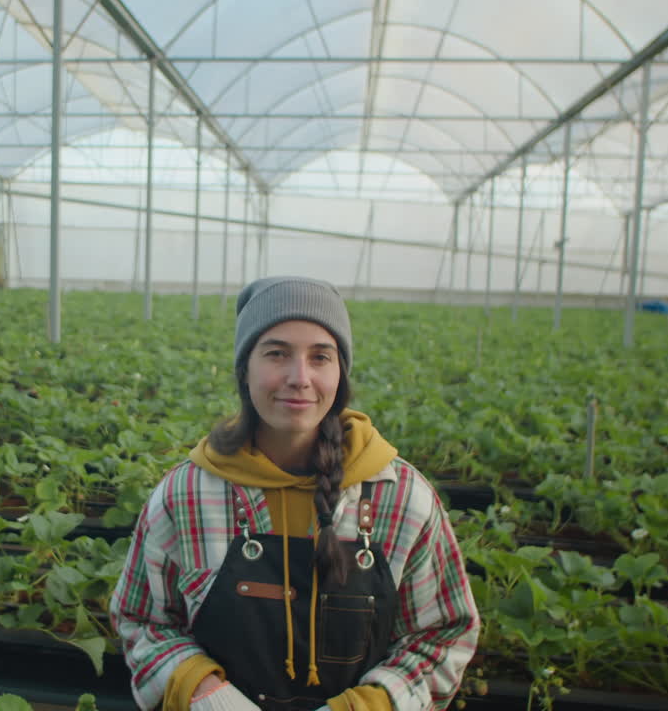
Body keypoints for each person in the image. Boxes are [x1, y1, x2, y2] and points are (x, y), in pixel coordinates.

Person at [110, 276, 479, 711]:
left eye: (320, 357)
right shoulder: (186, 495)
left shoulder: (401, 499)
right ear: (244, 369)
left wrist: (367, 705)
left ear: (340, 374)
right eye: (276, 353)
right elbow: (142, 621)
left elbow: (442, 633)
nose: (299, 377)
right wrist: (202, 690)